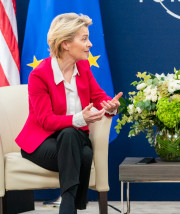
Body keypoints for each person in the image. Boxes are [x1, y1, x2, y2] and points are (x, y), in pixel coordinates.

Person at [16, 13, 122, 214]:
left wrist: (111, 106)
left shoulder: (83, 66)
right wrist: (80, 118)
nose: (90, 44)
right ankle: (72, 205)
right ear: (65, 43)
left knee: (71, 134)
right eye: (84, 39)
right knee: (84, 152)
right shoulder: (39, 75)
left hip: (73, 138)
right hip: (42, 141)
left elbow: (99, 96)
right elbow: (46, 120)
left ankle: (67, 204)